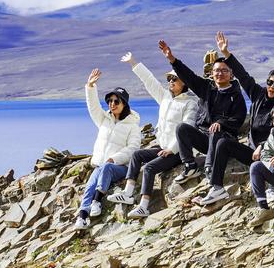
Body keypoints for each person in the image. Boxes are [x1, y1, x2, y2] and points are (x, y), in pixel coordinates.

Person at [106, 51, 200, 218]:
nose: (170, 81)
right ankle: (127, 193)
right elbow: (149, 80)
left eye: (174, 79)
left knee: (149, 168)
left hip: (178, 151)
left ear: (184, 82)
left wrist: (171, 149)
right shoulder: (165, 97)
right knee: (137, 155)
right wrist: (133, 63)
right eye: (169, 79)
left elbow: (188, 127)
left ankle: (144, 206)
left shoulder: (190, 103)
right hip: (163, 147)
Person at [159, 39, 247, 206]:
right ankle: (190, 166)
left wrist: (221, 123)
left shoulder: (236, 95)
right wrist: (172, 59)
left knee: (215, 130)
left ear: (231, 74)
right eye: (216, 71)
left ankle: (212, 176)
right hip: (204, 139)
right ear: (212, 73)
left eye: (224, 70)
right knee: (182, 128)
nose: (220, 74)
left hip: (223, 141)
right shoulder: (206, 88)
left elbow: (239, 118)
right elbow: (189, 76)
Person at [210, 31, 274, 204]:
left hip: (270, 151)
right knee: (223, 143)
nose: (271, 87)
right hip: (253, 152)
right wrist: (226, 53)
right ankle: (217, 188)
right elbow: (243, 75)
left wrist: (262, 146)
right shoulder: (258, 94)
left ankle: (272, 188)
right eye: (269, 82)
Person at [75, 69, 141, 230]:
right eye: (110, 101)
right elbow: (93, 108)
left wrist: (115, 158)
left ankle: (97, 201)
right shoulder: (104, 120)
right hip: (101, 165)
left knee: (106, 167)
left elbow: (133, 148)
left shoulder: (132, 126)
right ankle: (82, 217)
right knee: (90, 186)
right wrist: (90, 87)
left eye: (116, 101)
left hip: (120, 167)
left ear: (124, 104)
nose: (112, 104)